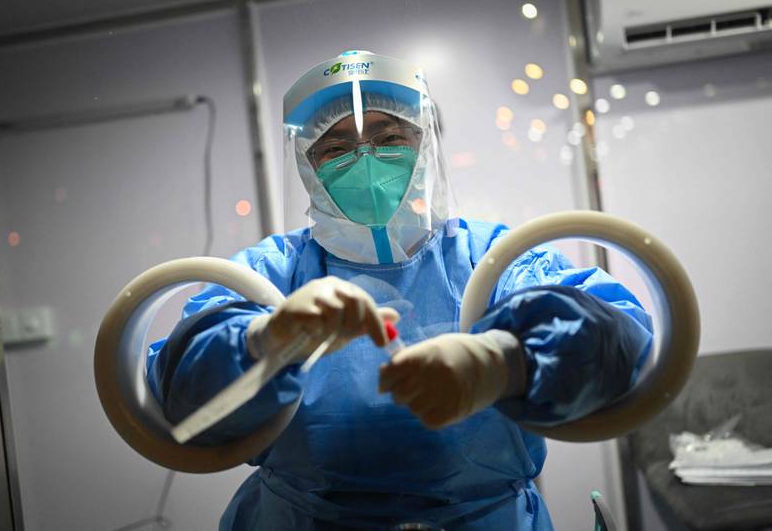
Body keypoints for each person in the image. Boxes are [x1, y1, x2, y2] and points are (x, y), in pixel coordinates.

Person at [146, 51, 653, 530]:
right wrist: (263, 339)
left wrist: (507, 359)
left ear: (426, 144)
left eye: (389, 138)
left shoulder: (495, 259)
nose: (366, 162)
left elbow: (617, 335)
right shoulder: (270, 272)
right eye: (336, 149)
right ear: (306, 165)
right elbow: (179, 385)